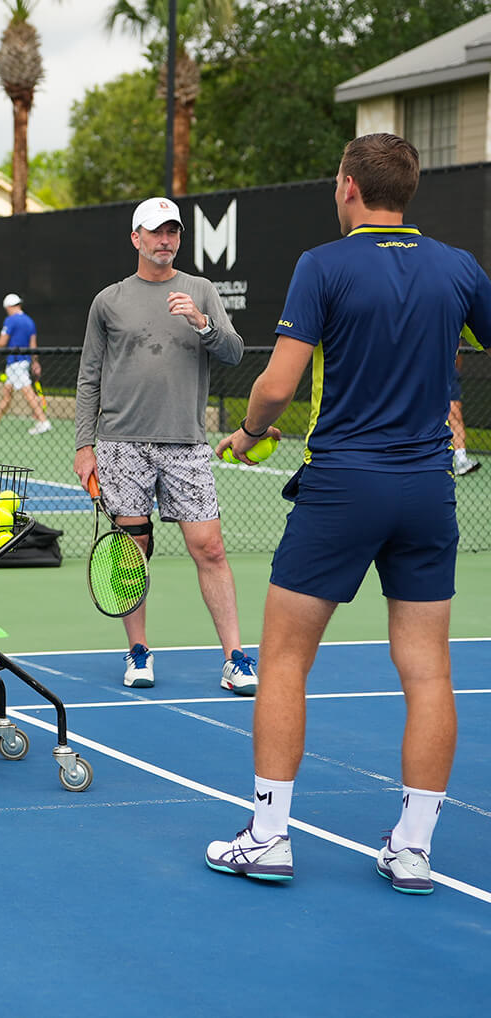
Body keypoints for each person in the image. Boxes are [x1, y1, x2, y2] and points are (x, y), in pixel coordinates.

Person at [205, 133, 491, 894]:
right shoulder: (459, 269)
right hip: (428, 488)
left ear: (348, 188)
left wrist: (251, 432)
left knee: (286, 660)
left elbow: (277, 385)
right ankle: (414, 849)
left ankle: (268, 838)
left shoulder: (322, 266)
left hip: (342, 488)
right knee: (429, 670)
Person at [73, 197, 256, 694]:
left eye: (172, 232)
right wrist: (83, 446)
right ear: (136, 239)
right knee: (132, 552)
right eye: (155, 232)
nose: (165, 240)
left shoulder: (200, 291)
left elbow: (236, 353)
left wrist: (203, 323)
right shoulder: (108, 301)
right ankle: (138, 651)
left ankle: (236, 658)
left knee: (210, 548)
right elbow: (89, 377)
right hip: (120, 445)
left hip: (186, 444)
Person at [0, 294, 51, 435]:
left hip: (16, 362)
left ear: (10, 307)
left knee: (28, 393)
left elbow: (2, 341)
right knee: (7, 395)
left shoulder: (10, 320)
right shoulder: (30, 322)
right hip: (20, 362)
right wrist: (35, 362)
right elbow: (33, 345)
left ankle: (43, 421)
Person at [448, 348, 480, 476]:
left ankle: (461, 459)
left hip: (449, 374)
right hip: (423, 374)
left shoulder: (452, 328)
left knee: (455, 415)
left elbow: (458, 350)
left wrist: (454, 373)